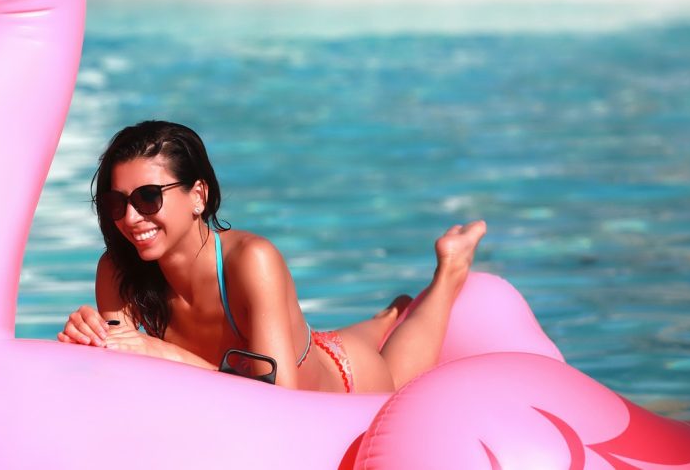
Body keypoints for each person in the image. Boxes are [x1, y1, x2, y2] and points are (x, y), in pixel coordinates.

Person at [57, 121, 487, 393]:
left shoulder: (251, 260)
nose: (131, 218)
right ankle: (384, 318)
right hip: (294, 345)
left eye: (148, 197)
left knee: (396, 380)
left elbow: (279, 394)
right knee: (357, 328)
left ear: (198, 196)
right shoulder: (116, 269)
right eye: (116, 203)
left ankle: (449, 270)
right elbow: (119, 367)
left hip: (340, 382)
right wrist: (88, 336)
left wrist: (171, 356)